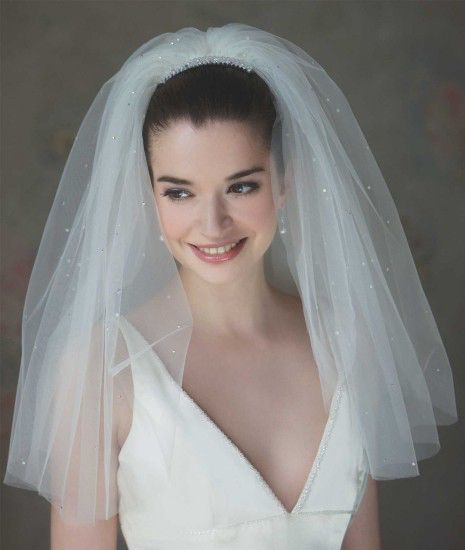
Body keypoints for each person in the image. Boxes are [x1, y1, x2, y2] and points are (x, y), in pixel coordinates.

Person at [4, 23, 457, 550]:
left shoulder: (347, 340)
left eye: (241, 186)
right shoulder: (103, 368)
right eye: (180, 193)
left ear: (284, 181)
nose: (213, 224)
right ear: (147, 196)